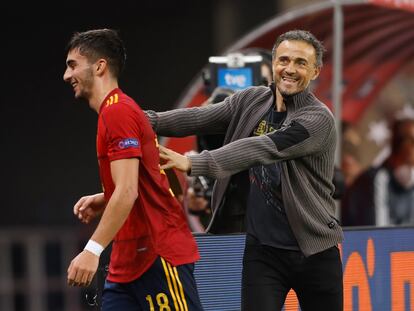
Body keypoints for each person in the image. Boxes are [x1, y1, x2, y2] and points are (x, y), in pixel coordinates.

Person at [146, 30, 343, 310]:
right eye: (284, 60)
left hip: (315, 253)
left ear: (315, 71)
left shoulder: (318, 118)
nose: (290, 69)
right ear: (273, 63)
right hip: (263, 252)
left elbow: (263, 148)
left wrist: (193, 163)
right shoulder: (251, 100)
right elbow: (199, 117)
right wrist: (143, 120)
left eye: (301, 63)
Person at [63, 28, 203, 311]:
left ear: (100, 66)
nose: (67, 76)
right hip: (126, 263)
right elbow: (161, 172)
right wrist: (108, 196)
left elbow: (128, 192)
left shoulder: (118, 112)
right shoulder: (122, 111)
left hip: (157, 255)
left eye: (72, 65)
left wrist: (91, 251)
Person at [342, 117, 414, 226]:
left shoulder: (410, 182)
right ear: (401, 144)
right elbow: (380, 236)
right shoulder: (375, 179)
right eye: (412, 141)